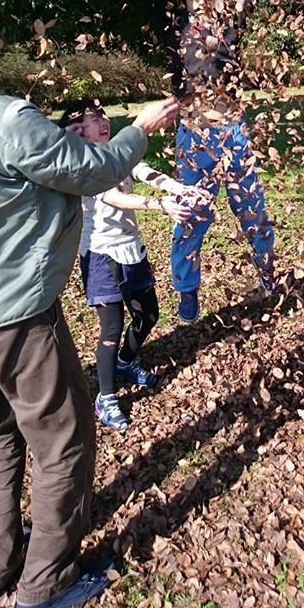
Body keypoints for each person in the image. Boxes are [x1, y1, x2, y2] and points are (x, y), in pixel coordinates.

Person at [0, 0, 178, 608]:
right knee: (64, 441)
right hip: (16, 317)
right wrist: (140, 129)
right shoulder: (4, 119)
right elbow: (91, 170)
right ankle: (43, 586)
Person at [109, 0, 279, 323]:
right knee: (191, 215)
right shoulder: (175, 37)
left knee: (252, 210)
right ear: (185, 4)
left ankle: (270, 279)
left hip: (233, 135)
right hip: (195, 139)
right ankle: (187, 291)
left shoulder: (230, 33)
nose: (204, 4)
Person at [58, 98, 205, 432]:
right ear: (79, 131)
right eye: (92, 119)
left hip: (131, 250)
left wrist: (176, 187)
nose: (102, 121)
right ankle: (106, 398)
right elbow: (112, 195)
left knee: (149, 313)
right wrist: (158, 205)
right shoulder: (84, 163)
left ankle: (126, 362)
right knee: (111, 328)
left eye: (101, 115)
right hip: (101, 256)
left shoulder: (116, 150)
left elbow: (142, 169)